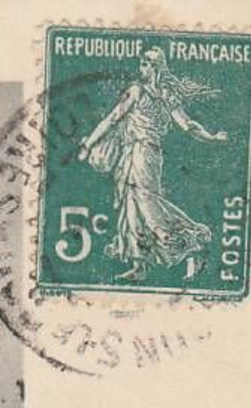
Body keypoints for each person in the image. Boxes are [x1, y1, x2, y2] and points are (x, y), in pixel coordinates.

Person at [77, 46, 228, 282]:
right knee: (132, 205)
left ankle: (191, 247)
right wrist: (211, 136)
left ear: (157, 67)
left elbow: (185, 124)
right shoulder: (163, 95)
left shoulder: (141, 92)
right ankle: (140, 265)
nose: (142, 67)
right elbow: (116, 117)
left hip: (142, 153)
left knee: (146, 204)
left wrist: (88, 145)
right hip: (142, 154)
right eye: (141, 63)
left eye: (146, 63)